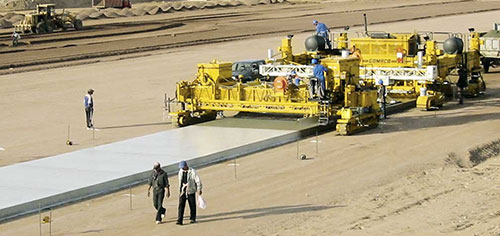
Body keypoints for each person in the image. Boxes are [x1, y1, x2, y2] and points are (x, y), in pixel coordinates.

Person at [177, 161, 202, 225]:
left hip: (190, 190)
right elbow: (180, 181)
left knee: (192, 205)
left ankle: (192, 218)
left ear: (186, 166)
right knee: (181, 205)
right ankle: (180, 220)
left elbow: (198, 180)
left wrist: (199, 189)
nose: (182, 168)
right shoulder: (180, 172)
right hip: (182, 191)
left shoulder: (192, 171)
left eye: (183, 167)